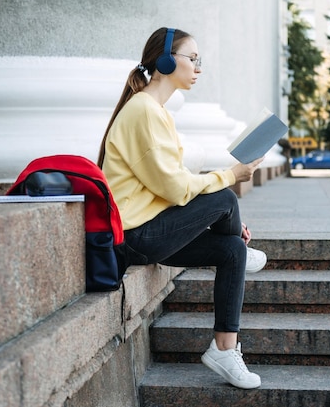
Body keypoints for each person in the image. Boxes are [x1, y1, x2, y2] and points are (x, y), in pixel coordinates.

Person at [97, 27, 266, 389]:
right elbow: (174, 188)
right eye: (193, 58)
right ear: (165, 60)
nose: (198, 68)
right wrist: (231, 175)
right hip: (134, 236)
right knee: (225, 197)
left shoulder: (155, 110)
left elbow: (169, 184)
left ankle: (224, 349)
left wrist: (227, 221)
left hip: (150, 228)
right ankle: (236, 232)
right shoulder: (143, 110)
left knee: (232, 250)